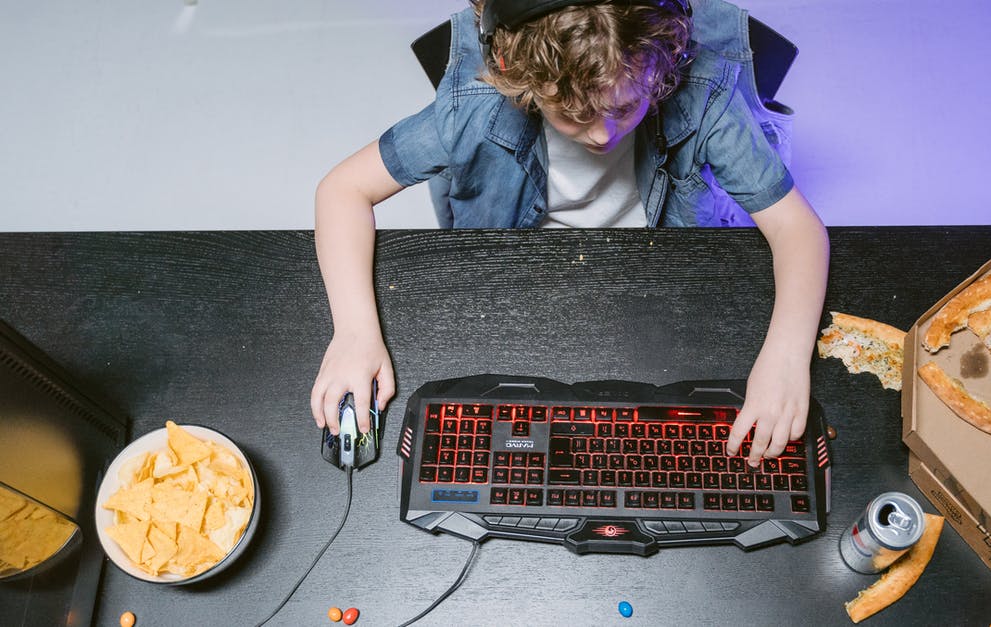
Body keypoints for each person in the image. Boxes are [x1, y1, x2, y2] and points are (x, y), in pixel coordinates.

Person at [309, 0, 829, 468]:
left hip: (659, 272)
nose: (604, 133)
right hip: (523, 276)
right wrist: (354, 333)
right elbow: (342, 190)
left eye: (626, 106)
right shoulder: (474, 104)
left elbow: (797, 230)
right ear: (521, 79)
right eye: (574, 115)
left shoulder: (703, 93)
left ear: (661, 64)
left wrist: (784, 360)